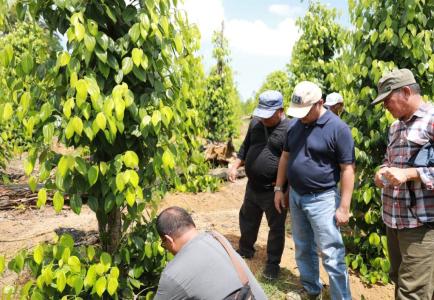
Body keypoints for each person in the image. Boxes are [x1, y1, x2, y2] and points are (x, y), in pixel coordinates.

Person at [274, 81, 355, 300]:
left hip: (323, 199)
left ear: (320, 103)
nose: (301, 116)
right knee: (302, 247)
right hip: (297, 197)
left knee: (331, 253)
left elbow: (347, 169)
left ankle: (341, 297)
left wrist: (344, 206)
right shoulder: (294, 126)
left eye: (305, 111)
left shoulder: (338, 128)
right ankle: (312, 290)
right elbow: (286, 156)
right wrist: (279, 188)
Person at [372, 68, 434, 300]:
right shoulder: (395, 127)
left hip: (421, 225)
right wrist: (382, 173)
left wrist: (411, 174)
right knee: (398, 279)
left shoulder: (431, 121)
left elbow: (407, 172)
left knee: (413, 292)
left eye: (388, 100)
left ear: (406, 92)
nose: (385, 106)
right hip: (394, 220)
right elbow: (389, 162)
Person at [227, 90, 291, 280]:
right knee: (247, 218)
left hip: (274, 190)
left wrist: (284, 189)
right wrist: (235, 164)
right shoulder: (256, 123)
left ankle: (272, 264)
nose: (263, 119)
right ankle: (246, 249)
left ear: (281, 110)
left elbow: (291, 161)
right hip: (253, 186)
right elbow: (245, 146)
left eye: (268, 115)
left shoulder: (290, 129)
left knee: (276, 228)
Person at [154, 206, 267, 300]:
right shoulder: (217, 238)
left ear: (169, 240)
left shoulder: (172, 274)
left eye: (164, 245)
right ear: (192, 224)